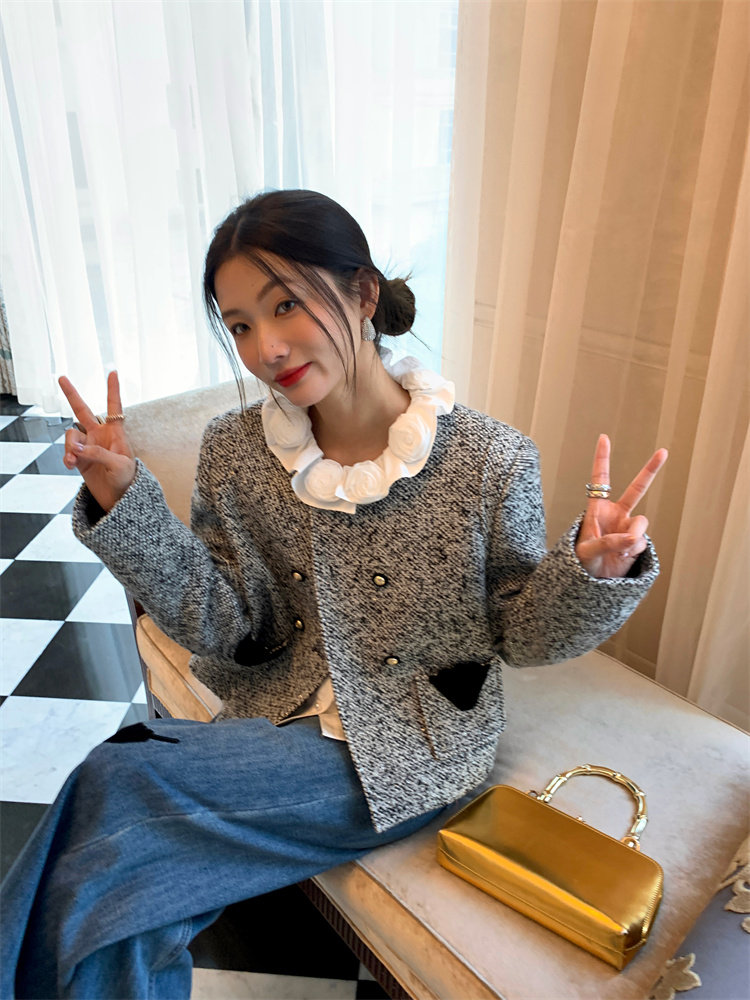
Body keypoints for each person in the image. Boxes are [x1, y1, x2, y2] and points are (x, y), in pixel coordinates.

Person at [0, 189, 667, 999]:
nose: (266, 347)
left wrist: (593, 574)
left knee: (118, 782)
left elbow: (521, 635)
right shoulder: (236, 450)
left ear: (363, 293)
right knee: (124, 894)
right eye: (240, 325)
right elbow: (225, 624)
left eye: (285, 304)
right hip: (277, 716)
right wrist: (124, 503)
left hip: (409, 747)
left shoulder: (489, 460)